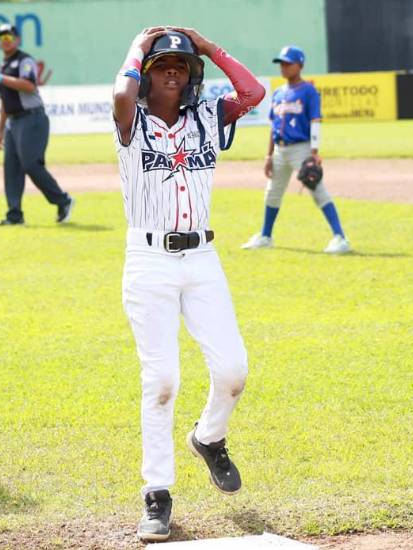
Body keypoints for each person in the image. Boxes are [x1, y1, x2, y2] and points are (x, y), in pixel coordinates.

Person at [112, 27, 265, 541]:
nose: (172, 70)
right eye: (161, 65)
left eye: (181, 63)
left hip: (202, 257)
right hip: (149, 259)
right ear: (147, 75)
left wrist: (207, 46)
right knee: (161, 382)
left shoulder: (207, 116)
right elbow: (120, 94)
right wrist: (139, 46)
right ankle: (157, 494)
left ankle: (209, 437)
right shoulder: (130, 121)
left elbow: (253, 93)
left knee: (233, 370)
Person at [241, 45, 351, 253]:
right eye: (281, 63)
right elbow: (273, 125)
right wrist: (268, 155)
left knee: (317, 191)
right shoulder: (278, 93)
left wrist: (315, 152)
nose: (283, 67)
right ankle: (265, 236)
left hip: (301, 148)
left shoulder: (308, 90)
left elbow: (315, 120)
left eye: (287, 63)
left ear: (299, 65)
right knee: (272, 193)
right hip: (280, 150)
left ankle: (340, 238)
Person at [0, 23, 74, 226]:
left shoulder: (25, 61)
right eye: (2, 38)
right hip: (14, 122)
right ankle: (14, 215)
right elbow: (5, 102)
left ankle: (63, 200)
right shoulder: (4, 66)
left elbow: (29, 85)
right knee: (12, 167)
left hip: (32, 118)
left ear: (17, 40)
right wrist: (0, 131)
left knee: (31, 164)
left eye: (9, 37)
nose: (5, 41)